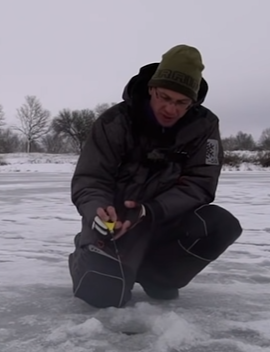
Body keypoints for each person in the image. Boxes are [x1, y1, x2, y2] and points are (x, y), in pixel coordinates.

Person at [68, 44, 243, 309]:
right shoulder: (113, 122)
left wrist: (150, 211)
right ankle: (86, 248)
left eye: (182, 102)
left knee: (221, 224)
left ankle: (157, 275)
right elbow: (91, 179)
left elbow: (201, 184)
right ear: (151, 88)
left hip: (163, 222)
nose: (171, 109)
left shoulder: (205, 127)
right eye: (164, 97)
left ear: (193, 102)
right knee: (103, 296)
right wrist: (98, 211)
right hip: (116, 227)